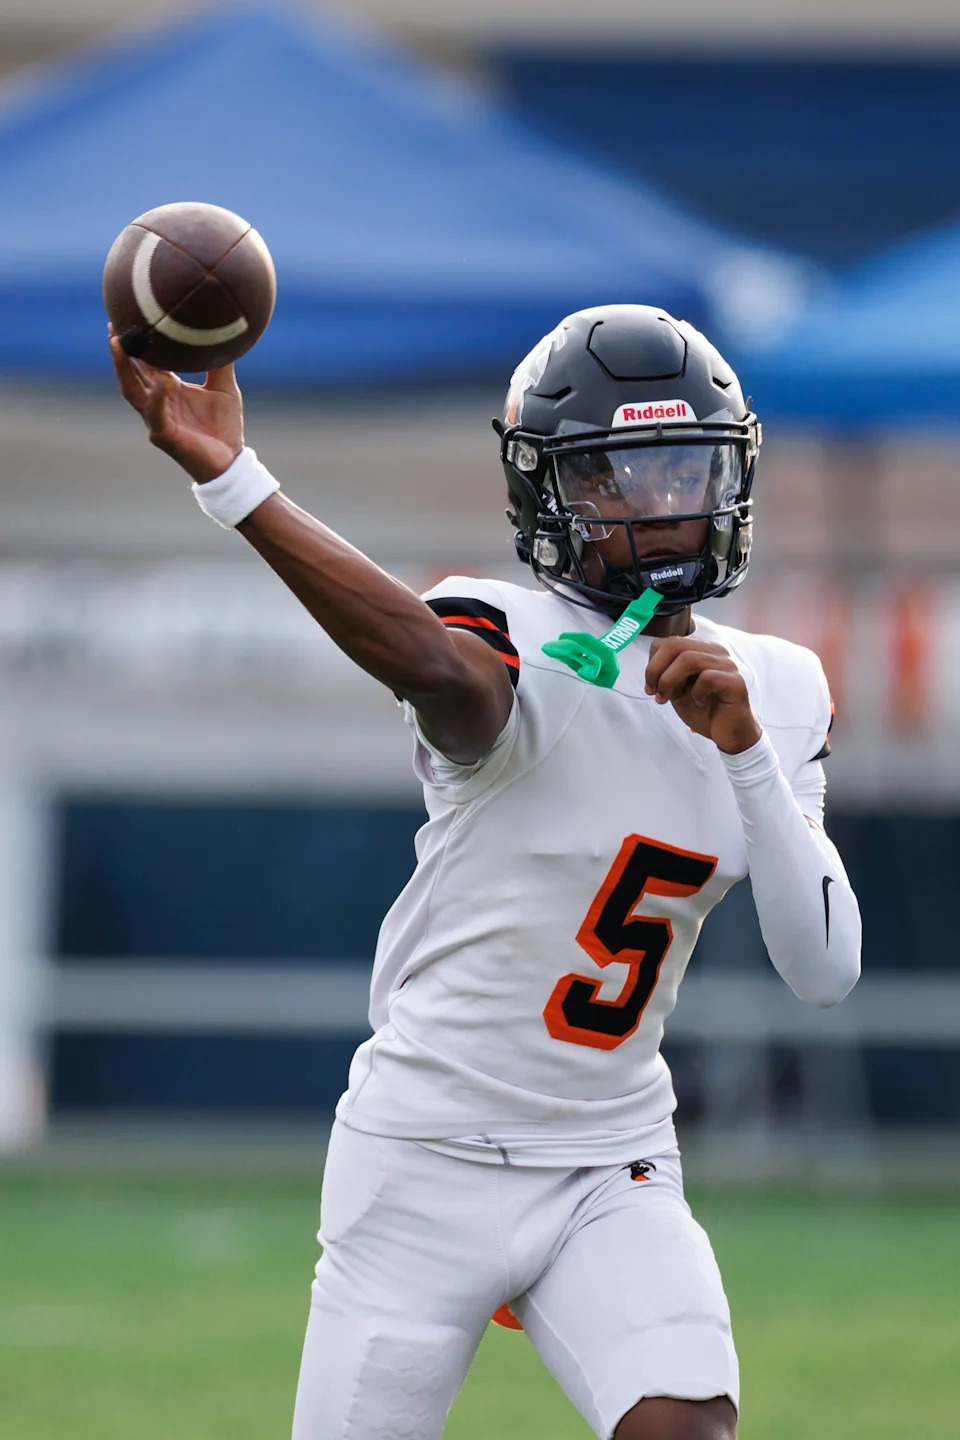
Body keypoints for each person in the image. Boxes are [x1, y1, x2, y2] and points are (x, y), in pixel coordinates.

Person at [110, 304, 861, 1440]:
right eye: (618, 478)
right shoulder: (501, 633)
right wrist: (236, 483)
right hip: (424, 1157)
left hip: (611, 1158)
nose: (663, 508)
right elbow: (432, 664)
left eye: (683, 468)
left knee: (686, 1425)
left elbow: (825, 972)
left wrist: (748, 753)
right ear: (549, 497)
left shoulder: (780, 685)